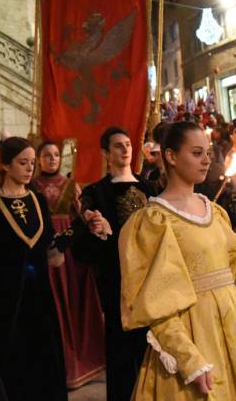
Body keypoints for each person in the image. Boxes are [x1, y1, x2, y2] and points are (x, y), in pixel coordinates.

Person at [119, 121, 236, 400]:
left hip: (233, 326)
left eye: (208, 153)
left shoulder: (213, 210)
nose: (206, 160)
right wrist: (189, 359)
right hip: (194, 331)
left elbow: (231, 267)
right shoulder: (154, 221)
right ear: (171, 156)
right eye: (197, 153)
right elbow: (156, 304)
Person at [0, 137, 67, 400]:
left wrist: (86, 228)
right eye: (23, 162)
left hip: (38, 296)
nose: (30, 168)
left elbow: (49, 244)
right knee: (7, 363)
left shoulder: (38, 200)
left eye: (32, 162)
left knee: (41, 360)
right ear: (5, 165)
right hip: (3, 298)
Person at [71, 126, 157, 401]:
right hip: (117, 281)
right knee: (120, 350)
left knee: (153, 350)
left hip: (151, 279)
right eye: (118, 146)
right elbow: (82, 247)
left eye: (128, 144)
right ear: (106, 154)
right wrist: (98, 230)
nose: (126, 149)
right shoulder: (95, 193)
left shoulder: (148, 187)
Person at [31, 141, 106, 388]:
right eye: (46, 155)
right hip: (42, 250)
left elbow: (81, 217)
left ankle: (76, 361)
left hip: (68, 255)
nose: (52, 159)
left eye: (55, 155)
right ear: (39, 159)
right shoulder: (31, 187)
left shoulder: (71, 185)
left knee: (70, 302)